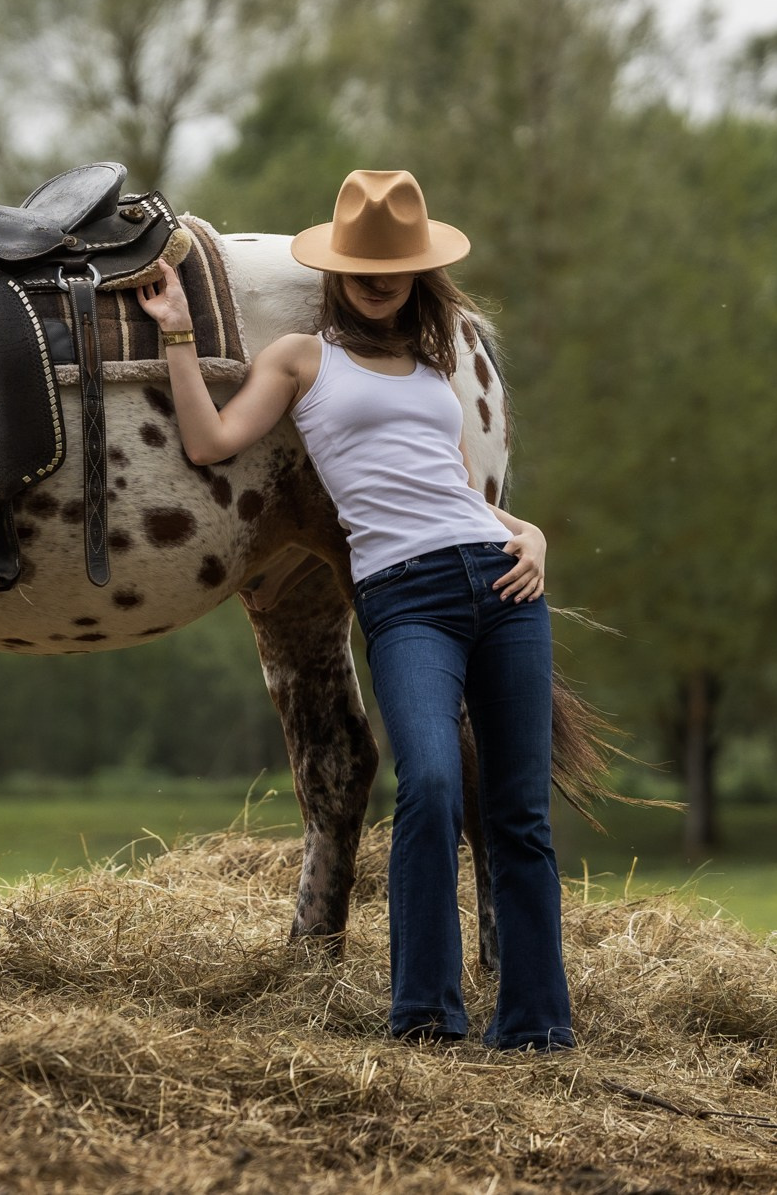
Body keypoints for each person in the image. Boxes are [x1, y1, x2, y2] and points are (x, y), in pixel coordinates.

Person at [137, 169, 571, 1049]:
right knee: (433, 784)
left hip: (501, 583)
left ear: (419, 271)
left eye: (397, 263)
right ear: (337, 269)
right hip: (406, 595)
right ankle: (424, 1014)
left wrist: (530, 535)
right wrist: (178, 335)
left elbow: (449, 488)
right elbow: (209, 440)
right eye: (364, 262)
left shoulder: (434, 365)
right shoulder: (304, 358)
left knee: (518, 810)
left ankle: (535, 1026)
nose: (381, 277)